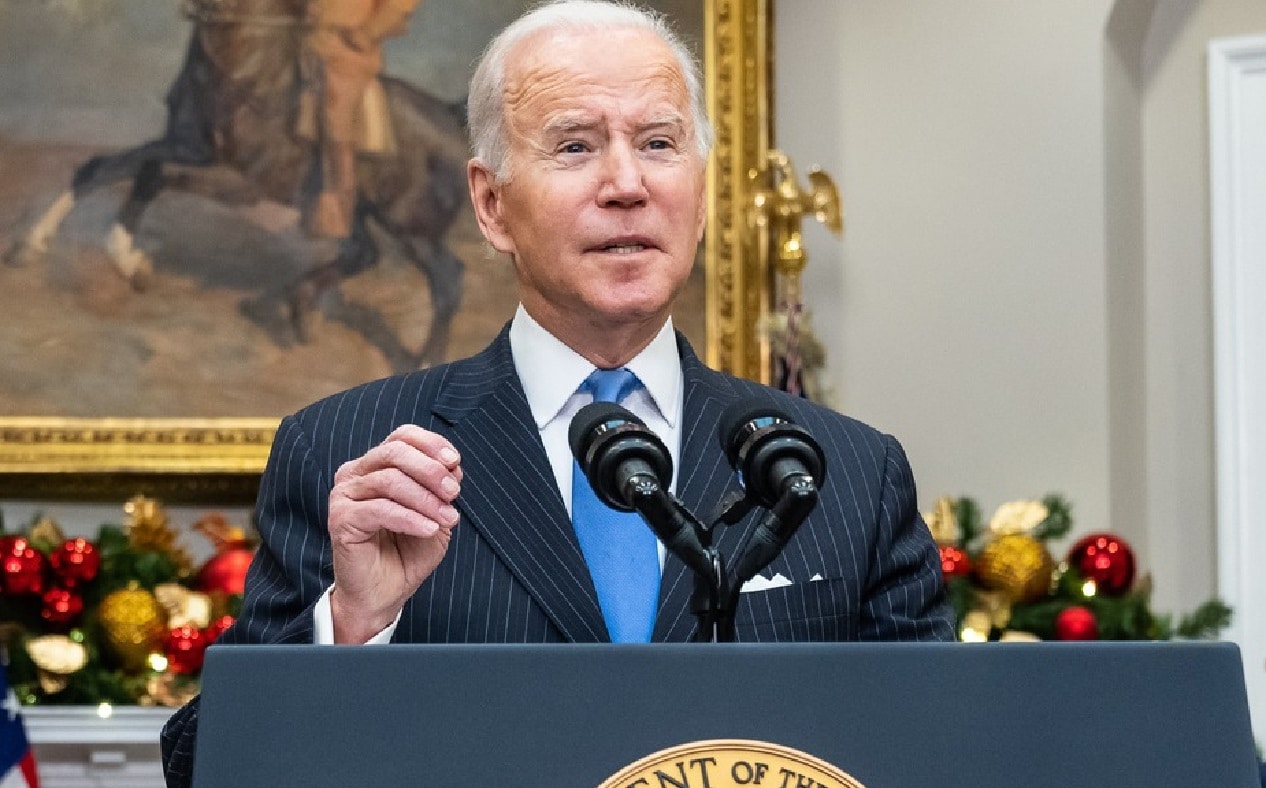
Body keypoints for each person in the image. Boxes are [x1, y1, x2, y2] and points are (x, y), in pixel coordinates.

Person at [160, 1, 955, 783]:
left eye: (658, 143)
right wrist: (354, 627)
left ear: (703, 193)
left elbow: (943, 751)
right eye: (575, 146)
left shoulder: (846, 472)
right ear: (491, 204)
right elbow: (207, 765)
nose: (626, 183)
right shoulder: (350, 452)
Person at [301, 0, 425, 238]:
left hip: (349, 53)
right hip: (313, 45)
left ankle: (337, 214)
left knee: (337, 128)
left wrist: (368, 32)